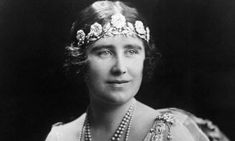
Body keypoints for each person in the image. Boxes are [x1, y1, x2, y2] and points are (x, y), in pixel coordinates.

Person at [45, 1, 230, 141]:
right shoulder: (60, 136)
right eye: (104, 52)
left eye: (131, 51)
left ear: (144, 58)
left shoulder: (171, 133)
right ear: (80, 60)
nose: (120, 68)